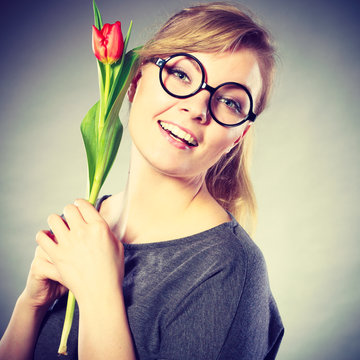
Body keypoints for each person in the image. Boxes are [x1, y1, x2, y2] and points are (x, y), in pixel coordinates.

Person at [0, 2, 284, 359]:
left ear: (238, 137)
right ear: (135, 82)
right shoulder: (93, 218)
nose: (197, 107)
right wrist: (31, 304)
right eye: (182, 75)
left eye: (229, 101)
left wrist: (98, 290)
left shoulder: (228, 270)